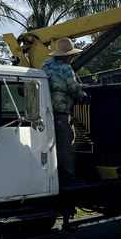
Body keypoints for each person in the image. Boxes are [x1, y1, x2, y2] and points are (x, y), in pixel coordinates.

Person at [41, 37, 86, 183]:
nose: (72, 57)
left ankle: (54, 177)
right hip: (61, 114)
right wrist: (83, 94)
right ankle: (68, 177)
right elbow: (73, 89)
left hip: (45, 115)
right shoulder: (66, 68)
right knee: (66, 145)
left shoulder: (45, 65)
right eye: (72, 54)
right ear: (66, 55)